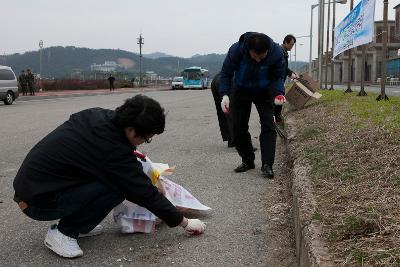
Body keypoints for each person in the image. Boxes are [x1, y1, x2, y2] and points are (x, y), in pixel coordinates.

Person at [13, 95, 206, 258]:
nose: (147, 141)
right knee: (116, 187)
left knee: (116, 179)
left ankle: (79, 225)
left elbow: (126, 164)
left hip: (35, 186)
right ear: (131, 129)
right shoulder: (111, 148)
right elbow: (140, 189)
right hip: (37, 202)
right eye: (146, 137)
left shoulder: (100, 117)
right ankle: (64, 232)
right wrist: (184, 222)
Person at [219, 32, 286, 179]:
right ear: (248, 50)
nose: (258, 60)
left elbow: (278, 76)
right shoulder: (236, 50)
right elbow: (226, 73)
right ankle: (247, 160)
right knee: (238, 126)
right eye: (255, 56)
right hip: (241, 89)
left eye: (262, 57)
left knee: (268, 124)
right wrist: (224, 94)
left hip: (264, 90)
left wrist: (279, 92)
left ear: (268, 50)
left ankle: (267, 165)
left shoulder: (276, 52)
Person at [275, 34, 298, 125]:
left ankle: (276, 116)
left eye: (293, 45)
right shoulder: (280, 52)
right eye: (291, 44)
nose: (292, 47)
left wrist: (291, 72)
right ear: (285, 42)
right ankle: (276, 117)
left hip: (279, 79)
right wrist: (290, 73)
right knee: (279, 97)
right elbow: (281, 68)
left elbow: (284, 67)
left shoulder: (283, 52)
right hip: (276, 79)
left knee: (278, 98)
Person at [211, 73, 235, 147]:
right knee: (236, 112)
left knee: (223, 111)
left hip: (217, 79)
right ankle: (239, 141)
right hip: (230, 81)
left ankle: (230, 139)